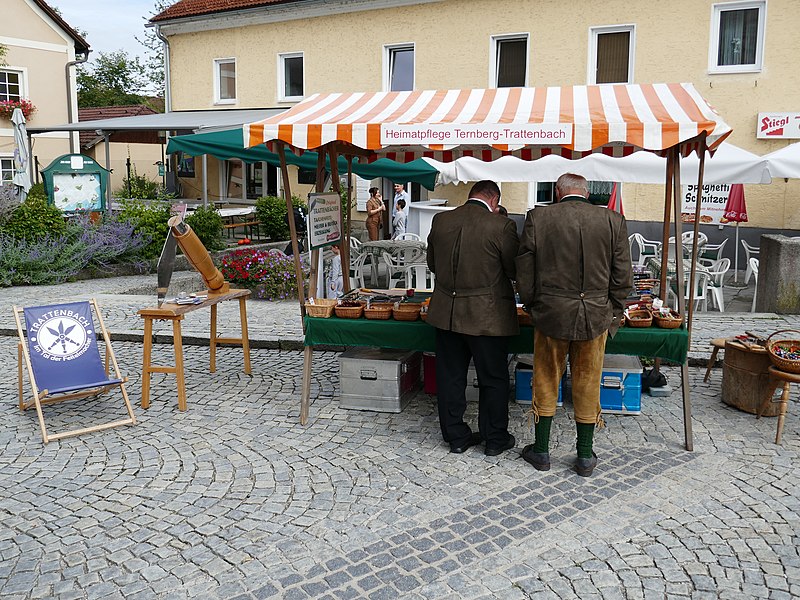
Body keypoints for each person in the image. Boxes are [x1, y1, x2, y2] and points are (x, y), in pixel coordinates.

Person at [515, 173, 632, 477]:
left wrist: (532, 305)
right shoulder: (613, 220)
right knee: (588, 379)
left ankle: (541, 451)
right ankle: (584, 456)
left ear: (558, 192)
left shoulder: (538, 218)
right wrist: (613, 312)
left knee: (545, 377)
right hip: (595, 314)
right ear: (587, 191)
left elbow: (524, 272)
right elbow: (623, 278)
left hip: (551, 313)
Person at [426, 180, 519, 456]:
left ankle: (455, 437)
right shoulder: (501, 226)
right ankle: (494, 439)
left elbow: (433, 264)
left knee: (451, 377)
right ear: (494, 201)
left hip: (447, 313)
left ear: (471, 196)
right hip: (487, 315)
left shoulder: (441, 220)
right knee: (493, 379)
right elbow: (514, 269)